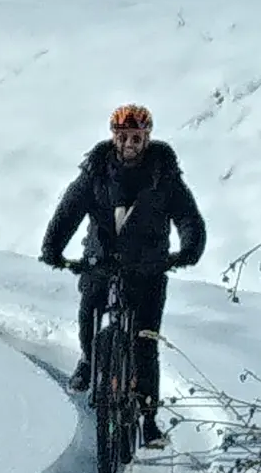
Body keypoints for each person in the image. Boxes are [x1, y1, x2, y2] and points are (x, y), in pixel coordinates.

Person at [39, 103, 205, 447]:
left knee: (145, 343)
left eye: (137, 137)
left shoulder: (164, 175)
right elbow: (68, 212)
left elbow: (188, 217)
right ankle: (88, 359)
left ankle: (148, 420)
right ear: (114, 137)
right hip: (102, 261)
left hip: (148, 268)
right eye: (124, 136)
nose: (130, 143)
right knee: (89, 312)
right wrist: (52, 249)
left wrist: (189, 250)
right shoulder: (96, 172)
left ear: (147, 138)